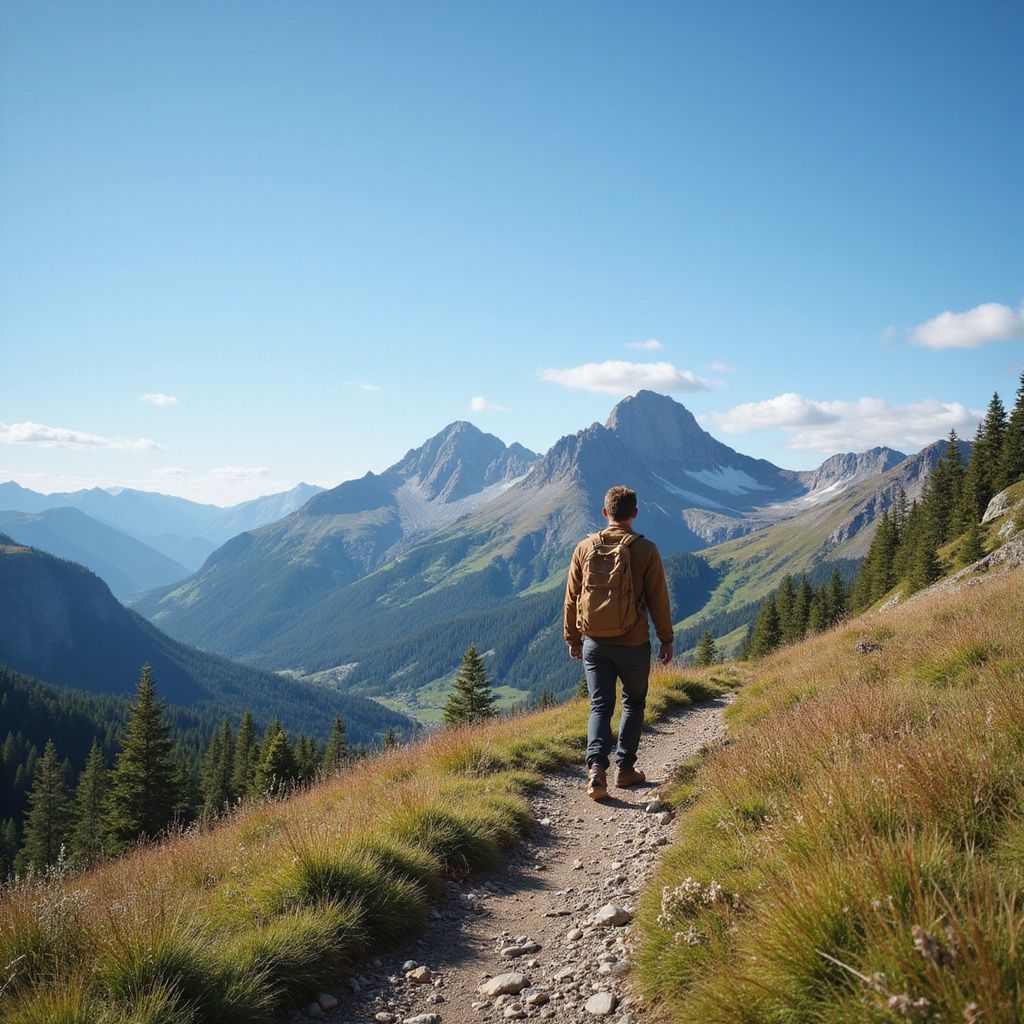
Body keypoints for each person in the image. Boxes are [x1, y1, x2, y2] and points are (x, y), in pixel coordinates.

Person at [563, 485, 674, 800]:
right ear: (635, 513)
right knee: (633, 703)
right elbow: (658, 600)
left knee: (600, 705)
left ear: (604, 512)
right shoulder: (646, 549)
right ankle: (625, 770)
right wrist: (666, 638)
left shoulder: (584, 547)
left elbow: (571, 598)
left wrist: (573, 637)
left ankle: (596, 769)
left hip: (594, 643)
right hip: (634, 642)